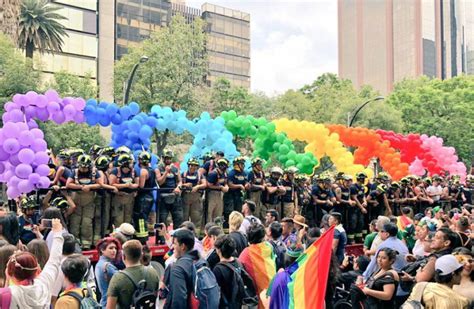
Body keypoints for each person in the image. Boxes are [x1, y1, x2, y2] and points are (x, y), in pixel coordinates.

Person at [5, 219, 64, 308]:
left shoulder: (7, 294)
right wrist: (58, 233)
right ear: (37, 269)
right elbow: (55, 259)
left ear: (9, 273)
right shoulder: (44, 283)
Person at [107, 239, 159, 309]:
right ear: (141, 255)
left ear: (123, 256)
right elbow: (155, 298)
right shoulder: (153, 272)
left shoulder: (118, 278)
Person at [66, 154, 101, 249]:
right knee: (75, 221)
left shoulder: (94, 172)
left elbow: (100, 184)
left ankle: (86, 243)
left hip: (89, 200)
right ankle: (75, 242)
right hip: (76, 199)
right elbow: (68, 184)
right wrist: (80, 187)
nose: (83, 169)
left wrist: (89, 187)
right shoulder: (75, 172)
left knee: (87, 221)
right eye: (81, 167)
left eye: (85, 167)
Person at [213, 234, 256, 309]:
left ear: (219, 250)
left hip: (226, 305)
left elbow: (216, 292)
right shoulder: (238, 261)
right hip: (238, 303)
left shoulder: (218, 269)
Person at [163, 229, 204, 309]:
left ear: (183, 246)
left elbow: (179, 300)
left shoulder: (177, 269)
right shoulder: (201, 261)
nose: (172, 247)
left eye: (174, 244)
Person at [239, 223, 276, 309]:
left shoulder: (246, 254)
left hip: (257, 297)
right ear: (263, 237)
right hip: (273, 293)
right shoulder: (269, 248)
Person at [110, 154, 138, 228]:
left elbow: (137, 184)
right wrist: (124, 185)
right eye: (130, 163)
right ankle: (118, 235)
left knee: (128, 217)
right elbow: (111, 184)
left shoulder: (133, 171)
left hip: (130, 197)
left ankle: (127, 235)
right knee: (118, 218)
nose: (132, 164)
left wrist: (132, 186)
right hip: (119, 196)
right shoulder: (115, 171)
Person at [180, 157, 206, 235]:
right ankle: (184, 234)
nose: (192, 167)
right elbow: (179, 183)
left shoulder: (199, 175)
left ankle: (195, 236)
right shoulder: (184, 174)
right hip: (185, 197)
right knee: (184, 217)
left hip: (196, 198)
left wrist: (197, 187)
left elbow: (205, 184)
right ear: (188, 165)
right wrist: (185, 185)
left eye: (194, 165)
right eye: (191, 165)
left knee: (196, 217)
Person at [134, 151, 158, 239]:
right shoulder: (152, 170)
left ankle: (142, 237)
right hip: (150, 195)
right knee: (145, 217)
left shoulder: (143, 171)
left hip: (143, 197)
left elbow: (141, 185)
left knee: (141, 218)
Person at [157, 149, 183, 227]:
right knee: (162, 218)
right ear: (163, 158)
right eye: (166, 158)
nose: (168, 160)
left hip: (174, 195)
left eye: (170, 158)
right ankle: (161, 238)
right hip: (163, 196)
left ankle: (177, 236)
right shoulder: (158, 168)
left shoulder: (175, 168)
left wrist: (178, 187)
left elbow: (180, 181)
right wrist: (166, 172)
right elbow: (159, 182)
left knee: (178, 217)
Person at [95, 237, 122, 307]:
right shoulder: (107, 266)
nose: (114, 251)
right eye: (111, 248)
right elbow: (123, 280)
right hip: (110, 304)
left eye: (115, 248)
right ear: (102, 250)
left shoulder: (99, 264)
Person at [95, 155, 117, 237]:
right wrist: (112, 187)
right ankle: (101, 235)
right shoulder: (100, 173)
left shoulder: (105, 173)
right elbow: (101, 184)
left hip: (106, 197)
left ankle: (105, 232)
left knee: (107, 216)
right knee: (102, 217)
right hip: (102, 197)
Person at [206, 158, 229, 224]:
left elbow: (225, 182)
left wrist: (226, 187)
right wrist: (220, 187)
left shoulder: (225, 174)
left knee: (218, 212)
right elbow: (209, 185)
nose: (224, 167)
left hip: (220, 194)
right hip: (212, 194)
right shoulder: (213, 174)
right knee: (210, 212)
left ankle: (218, 227)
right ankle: (209, 227)